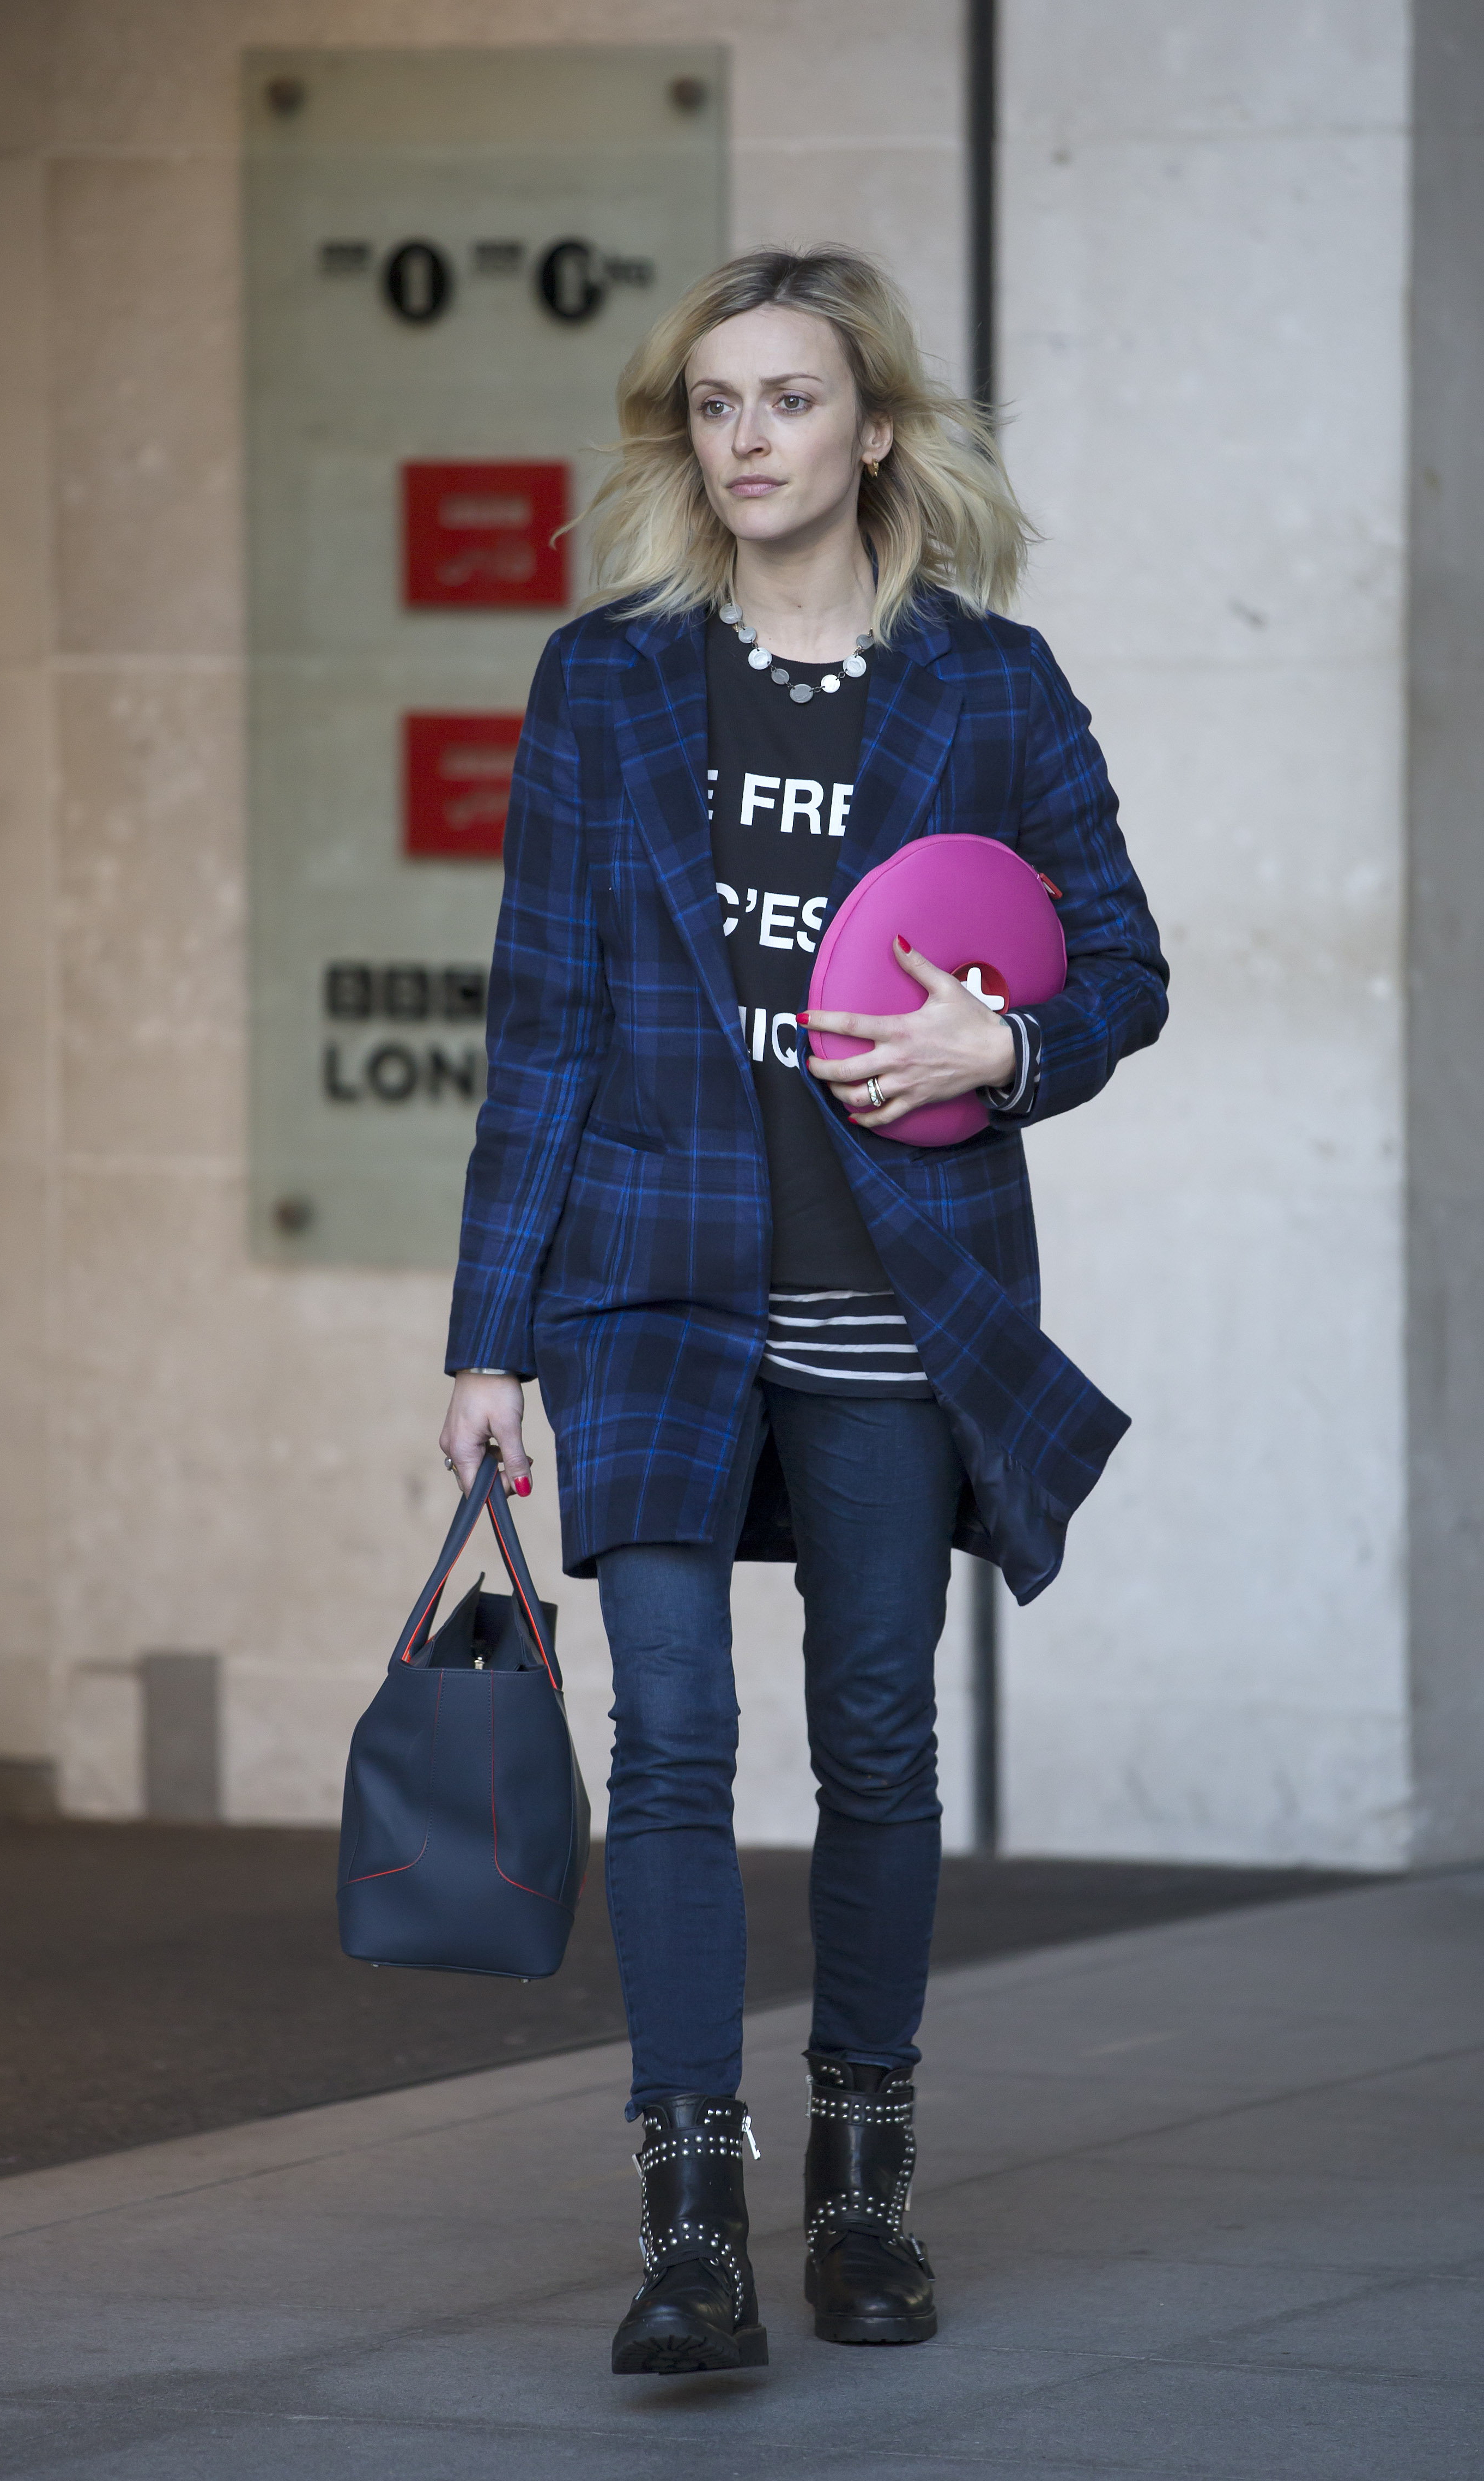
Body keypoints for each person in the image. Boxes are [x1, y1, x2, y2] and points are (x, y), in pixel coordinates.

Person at [439, 245, 1167, 2376]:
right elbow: (543, 1027)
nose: (747, 437)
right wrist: (489, 1339)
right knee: (669, 1736)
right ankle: (691, 2226)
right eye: (716, 404)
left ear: (875, 431)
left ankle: (861, 2193)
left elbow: (1122, 968)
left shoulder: (993, 689)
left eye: (789, 399)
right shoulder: (607, 683)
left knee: (876, 1734)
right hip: (651, 1285)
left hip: (895, 1292)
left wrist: (995, 1048)